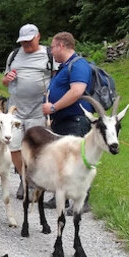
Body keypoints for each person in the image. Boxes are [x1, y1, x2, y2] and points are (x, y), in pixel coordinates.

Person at [2, 24, 56, 199]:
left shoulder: (49, 55)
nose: (25, 45)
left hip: (38, 110)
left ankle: (33, 182)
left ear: (38, 36)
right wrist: (7, 78)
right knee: (13, 145)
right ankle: (24, 178)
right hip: (16, 109)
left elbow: (57, 79)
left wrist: (52, 106)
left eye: (29, 41)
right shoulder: (14, 55)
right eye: (23, 41)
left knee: (36, 148)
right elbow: (4, 82)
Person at [41, 31, 93, 210]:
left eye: (53, 47)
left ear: (62, 45)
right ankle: (60, 196)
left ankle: (82, 200)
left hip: (75, 120)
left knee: (78, 159)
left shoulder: (79, 65)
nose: (52, 51)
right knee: (61, 159)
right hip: (62, 121)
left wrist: (54, 107)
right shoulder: (65, 66)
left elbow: (77, 91)